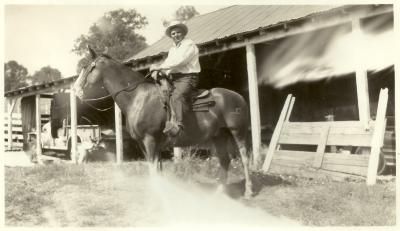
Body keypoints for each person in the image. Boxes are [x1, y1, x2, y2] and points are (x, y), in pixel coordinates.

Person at [150, 21, 201, 137]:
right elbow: (169, 63)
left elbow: (180, 61)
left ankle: (179, 125)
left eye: (178, 32)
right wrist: (159, 71)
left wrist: (159, 67)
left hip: (188, 77)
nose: (176, 35)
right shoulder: (173, 49)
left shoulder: (189, 44)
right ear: (170, 36)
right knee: (162, 94)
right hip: (176, 78)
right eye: (173, 33)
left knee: (177, 96)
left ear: (183, 33)